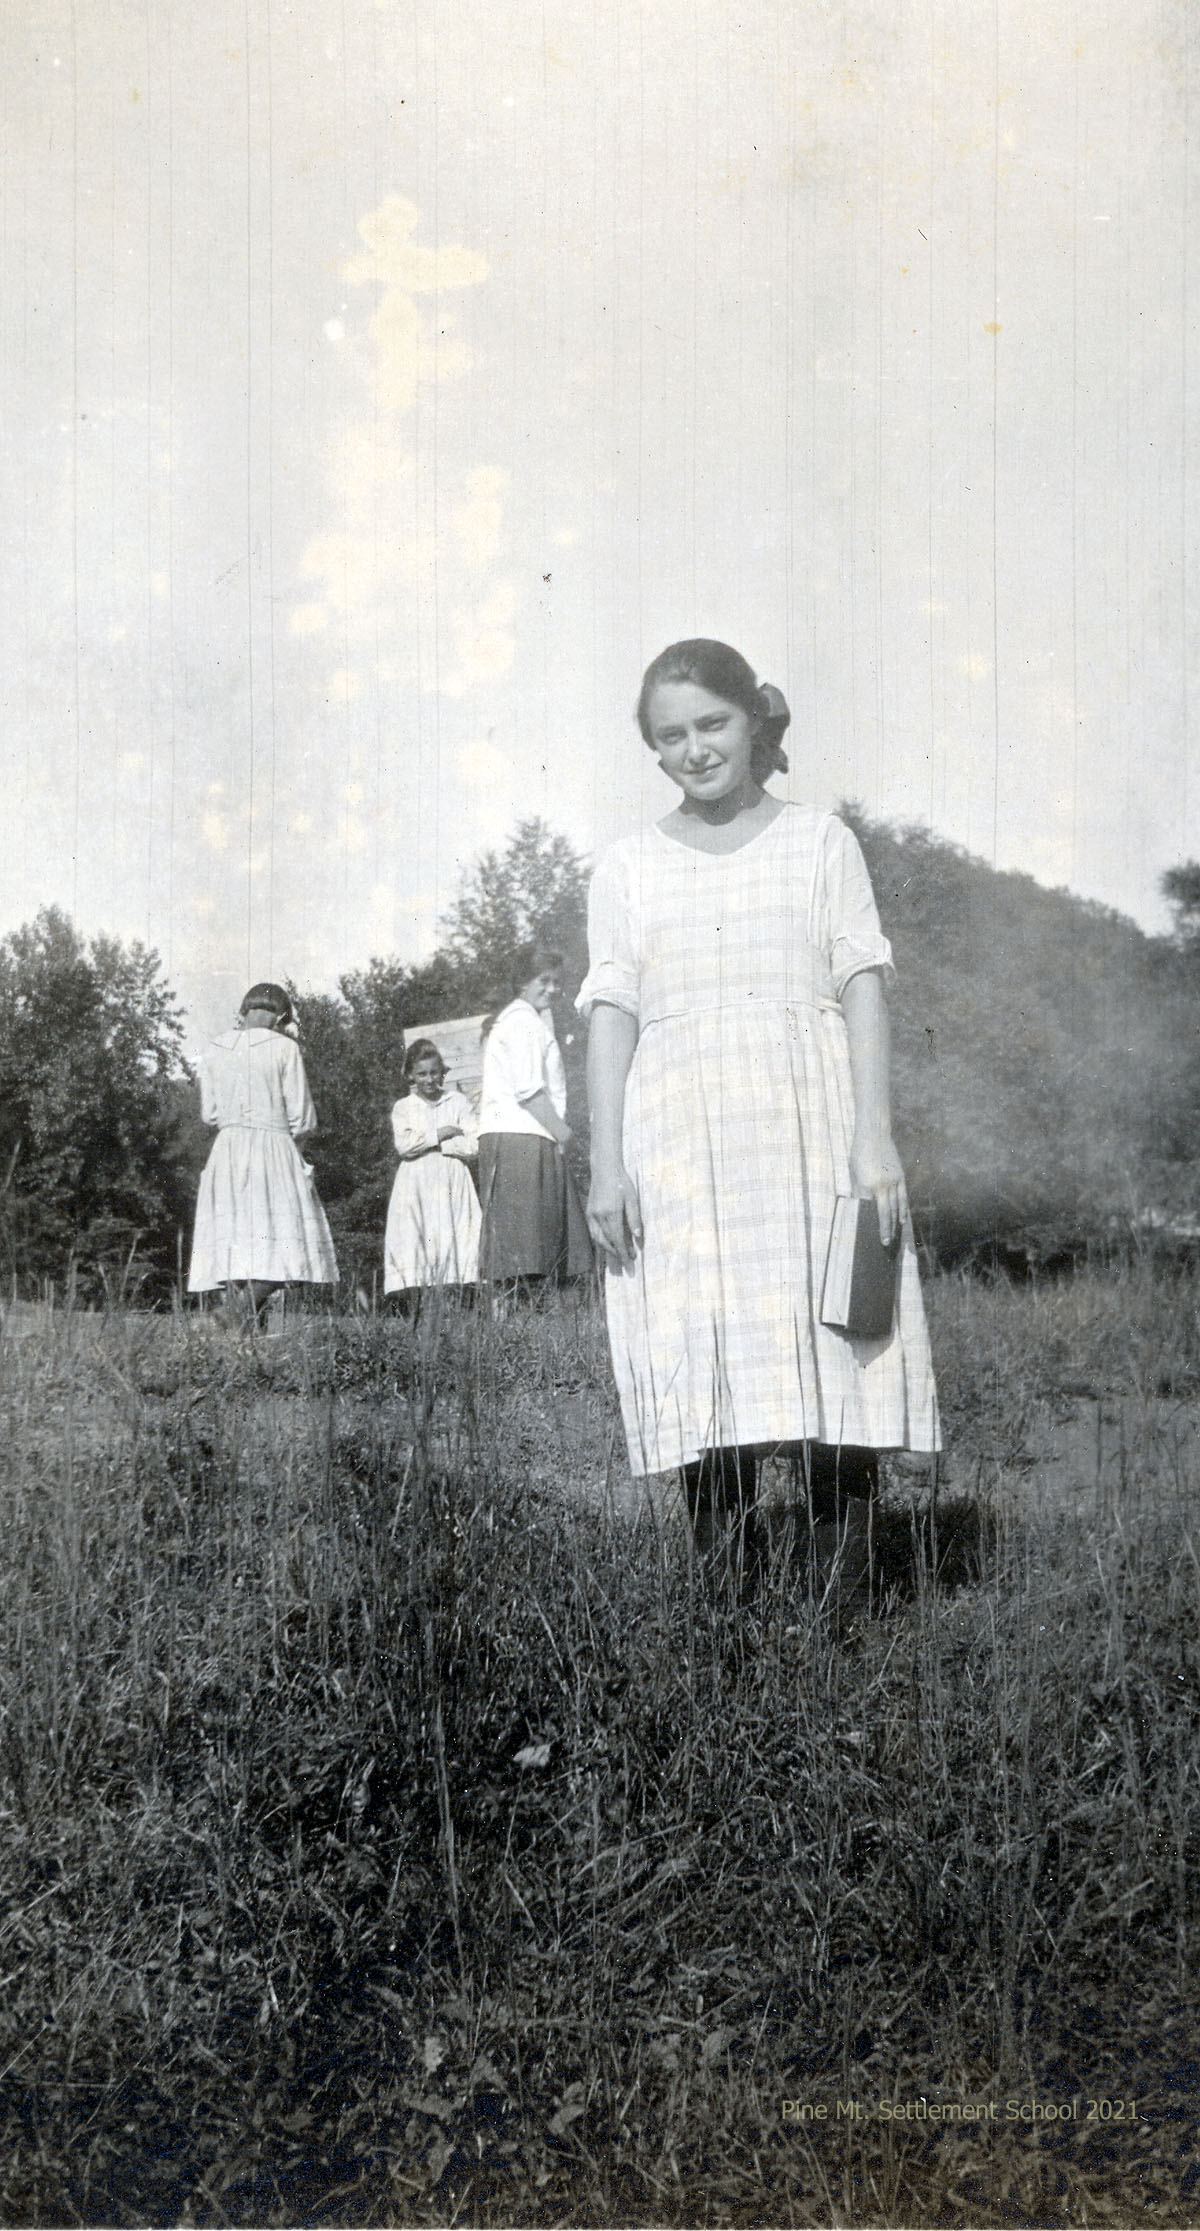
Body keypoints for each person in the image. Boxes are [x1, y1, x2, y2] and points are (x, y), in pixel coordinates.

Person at [578, 638, 940, 1603]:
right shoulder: (625, 865)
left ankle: (841, 1610)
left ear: (753, 721)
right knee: (702, 1346)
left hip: (807, 1122)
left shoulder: (821, 841)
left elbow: (863, 985)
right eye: (671, 736)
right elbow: (611, 1016)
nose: (695, 749)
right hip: (679, 1137)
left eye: (713, 723)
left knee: (835, 1343)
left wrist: (874, 1134)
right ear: (652, 749)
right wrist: (606, 1163)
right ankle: (724, 1612)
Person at [188, 981, 338, 1324]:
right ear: (281, 1017)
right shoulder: (285, 1048)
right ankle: (235, 1316)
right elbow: (302, 1117)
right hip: (273, 1149)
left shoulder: (215, 1047)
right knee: (289, 1245)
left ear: (245, 1011)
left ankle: (238, 1324)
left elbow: (209, 1113)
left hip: (227, 1151)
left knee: (236, 1242)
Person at [477, 943, 592, 1291]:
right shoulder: (523, 1021)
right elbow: (528, 1091)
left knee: (534, 1247)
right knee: (527, 1251)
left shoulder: (525, 1019)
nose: (553, 988)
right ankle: (525, 1313)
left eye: (557, 981)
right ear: (523, 982)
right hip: (522, 1137)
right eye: (544, 980)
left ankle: (533, 1312)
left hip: (526, 1135)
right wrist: (565, 1135)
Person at [384, 1038, 481, 1311]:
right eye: (422, 1074)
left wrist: (441, 1145)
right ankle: (424, 1311)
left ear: (442, 1073)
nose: (429, 1080)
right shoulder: (404, 1107)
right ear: (410, 1075)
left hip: (452, 1178)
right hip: (416, 1181)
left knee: (455, 1236)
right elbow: (405, 1146)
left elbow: (474, 1144)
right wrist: (442, 1133)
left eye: (434, 1073)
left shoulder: (457, 1101)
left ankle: (457, 1307)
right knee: (419, 1237)